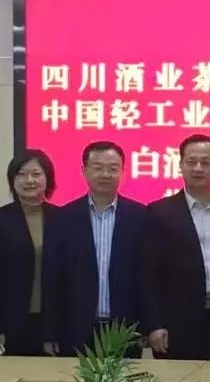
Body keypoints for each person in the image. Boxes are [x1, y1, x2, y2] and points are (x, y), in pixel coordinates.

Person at [145, 134, 210, 361]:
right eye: (191, 162)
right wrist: (154, 323)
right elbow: (149, 274)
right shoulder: (159, 212)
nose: (198, 168)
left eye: (205, 162)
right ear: (180, 165)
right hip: (174, 322)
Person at [43, 141, 149, 358]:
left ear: (123, 172)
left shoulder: (141, 216)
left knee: (124, 381)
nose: (105, 174)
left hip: (124, 329)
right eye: (98, 168)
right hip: (75, 329)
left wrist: (147, 325)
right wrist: (50, 331)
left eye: (112, 168)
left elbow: (148, 277)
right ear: (84, 171)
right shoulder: (63, 218)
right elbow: (53, 279)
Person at [0, 150, 59, 357]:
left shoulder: (62, 218)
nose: (29, 180)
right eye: (21, 174)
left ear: (47, 178)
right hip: (10, 324)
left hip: (52, 323)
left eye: (36, 174)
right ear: (12, 180)